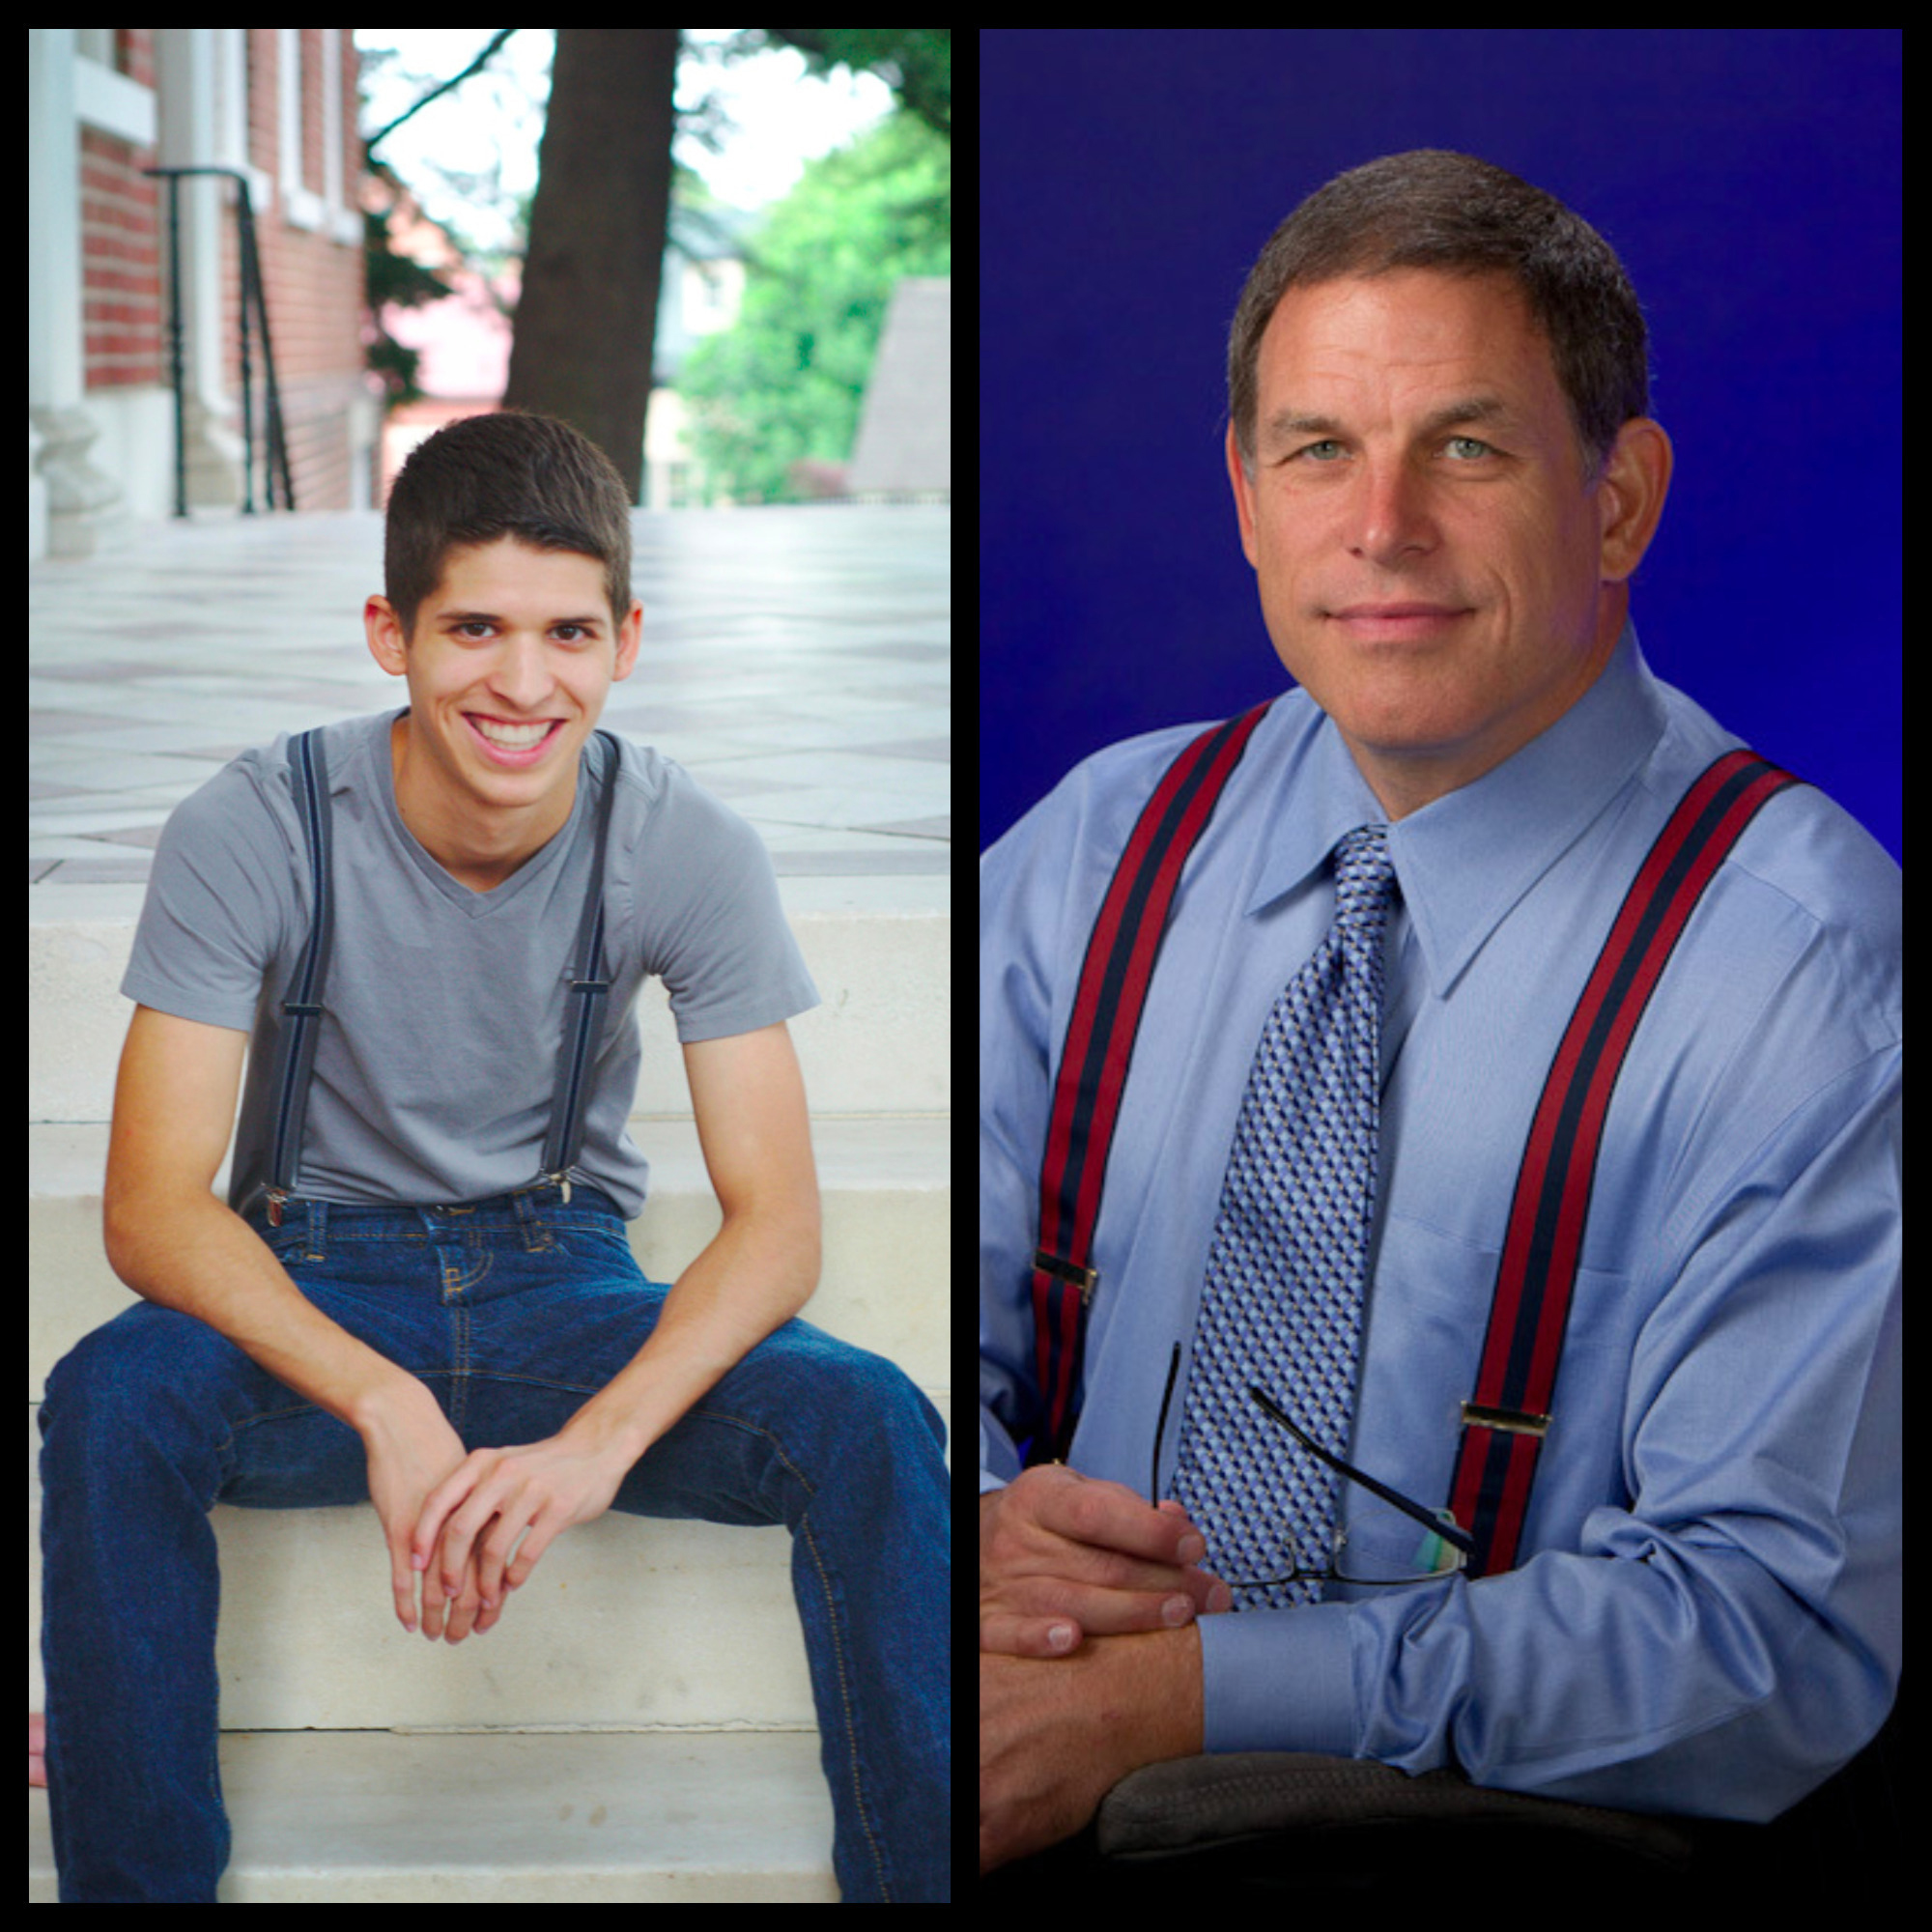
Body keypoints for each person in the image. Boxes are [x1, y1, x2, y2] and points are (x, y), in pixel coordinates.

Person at [979, 151, 1899, 1880]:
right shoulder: (1093, 852)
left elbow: (1769, 1640)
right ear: (1248, 498)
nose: (1380, 526)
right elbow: (894, 1333)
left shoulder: (1812, 975)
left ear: (1620, 498)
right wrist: (971, 1548)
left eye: (1465, 447)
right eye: (1319, 450)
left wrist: (1184, 1698)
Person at [38, 410, 950, 1903]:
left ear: (627, 639)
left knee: (865, 1419)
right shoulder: (253, 824)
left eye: (567, 632)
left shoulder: (684, 841)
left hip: (563, 1292)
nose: (523, 685)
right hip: (315, 1282)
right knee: (110, 1397)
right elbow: (150, 1209)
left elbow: (775, 1227)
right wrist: (382, 1399)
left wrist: (597, 1444)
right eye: (473, 627)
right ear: (390, 632)